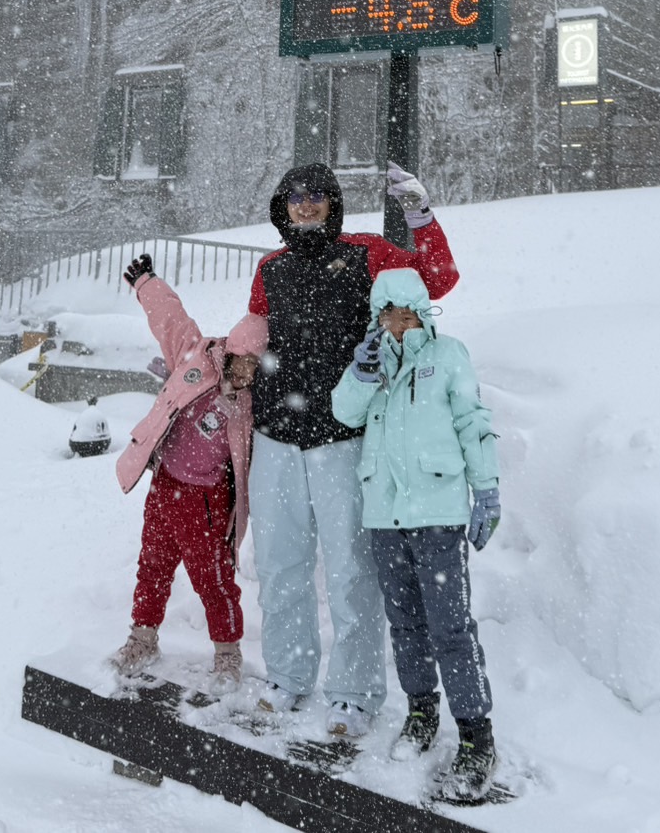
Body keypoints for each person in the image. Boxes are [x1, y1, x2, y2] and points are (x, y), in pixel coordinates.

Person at [224, 160, 459, 738]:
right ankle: (287, 676)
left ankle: (354, 692)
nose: (307, 204)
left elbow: (436, 280)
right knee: (280, 565)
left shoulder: (367, 253)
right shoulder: (270, 267)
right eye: (296, 196)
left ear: (334, 203)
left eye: (318, 196)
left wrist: (420, 216)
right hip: (275, 436)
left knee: (353, 571)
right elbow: (256, 326)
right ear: (283, 205)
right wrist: (236, 352)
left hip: (342, 437)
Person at [331, 265, 502, 801]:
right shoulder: (371, 361)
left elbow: (472, 421)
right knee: (404, 625)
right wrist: (359, 375)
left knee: (451, 627)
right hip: (385, 515)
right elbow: (343, 412)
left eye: (405, 313)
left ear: (423, 313)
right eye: (386, 314)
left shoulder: (448, 355)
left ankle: (477, 737)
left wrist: (487, 488)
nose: (396, 324)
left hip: (438, 513)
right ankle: (422, 713)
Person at [110, 253, 263, 691]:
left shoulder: (252, 408)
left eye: (255, 365)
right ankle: (143, 637)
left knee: (213, 578)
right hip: (165, 485)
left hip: (206, 501)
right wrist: (145, 283)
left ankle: (228, 653)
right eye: (240, 360)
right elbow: (170, 318)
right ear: (228, 349)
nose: (244, 372)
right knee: (152, 565)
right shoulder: (196, 356)